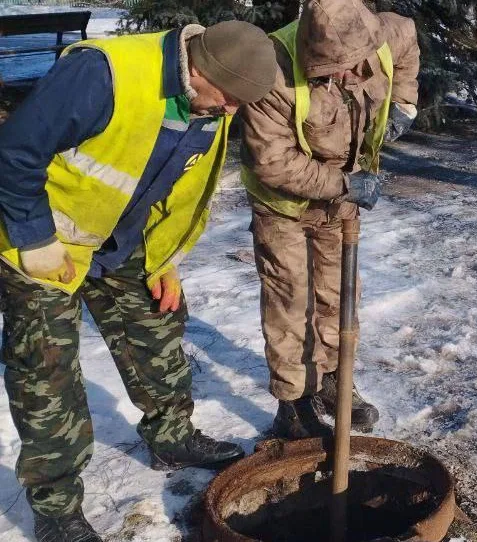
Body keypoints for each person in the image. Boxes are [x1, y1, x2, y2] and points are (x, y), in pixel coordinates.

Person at [0, 21, 276, 542]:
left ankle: (170, 435)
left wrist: (163, 259)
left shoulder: (209, 100)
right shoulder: (101, 74)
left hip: (122, 241)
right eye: (231, 99)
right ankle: (57, 506)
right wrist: (35, 238)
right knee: (46, 369)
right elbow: (14, 152)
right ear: (199, 70)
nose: (232, 113)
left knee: (159, 325)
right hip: (44, 237)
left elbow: (173, 186)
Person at [240, 0, 419, 439]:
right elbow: (273, 162)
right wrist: (344, 185)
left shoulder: (382, 34)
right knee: (291, 301)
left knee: (338, 294)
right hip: (282, 204)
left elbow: (409, 40)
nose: (343, 79)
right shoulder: (273, 71)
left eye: (350, 68)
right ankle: (293, 401)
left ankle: (335, 381)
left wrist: (403, 105)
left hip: (341, 202)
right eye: (330, 72)